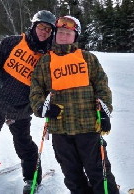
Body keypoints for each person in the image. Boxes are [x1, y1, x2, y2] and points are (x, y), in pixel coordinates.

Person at [0, 10, 56, 194]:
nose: (44, 31)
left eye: (48, 29)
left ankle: (32, 178)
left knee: (23, 143)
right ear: (34, 26)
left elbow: (51, 84)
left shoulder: (49, 57)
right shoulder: (13, 42)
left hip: (21, 108)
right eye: (41, 27)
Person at [30, 15, 119, 194]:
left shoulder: (87, 58)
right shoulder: (45, 61)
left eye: (68, 33)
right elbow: (36, 89)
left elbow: (102, 86)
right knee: (71, 174)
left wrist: (105, 112)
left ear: (75, 37)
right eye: (60, 32)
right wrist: (41, 107)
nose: (63, 36)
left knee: (98, 171)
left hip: (88, 127)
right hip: (60, 129)